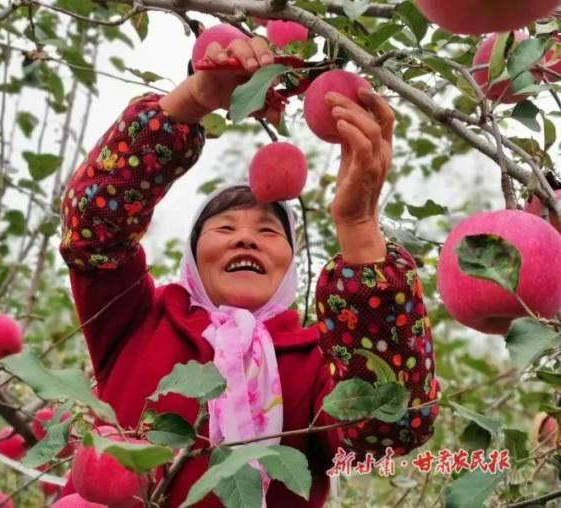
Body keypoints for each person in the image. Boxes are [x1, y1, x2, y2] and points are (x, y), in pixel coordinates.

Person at [58, 34, 440, 507]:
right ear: (193, 258)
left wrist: (358, 225)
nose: (246, 237)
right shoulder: (138, 320)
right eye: (224, 227)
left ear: (289, 264)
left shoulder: (317, 362)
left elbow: (392, 426)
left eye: (268, 230)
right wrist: (193, 100)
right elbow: (91, 229)